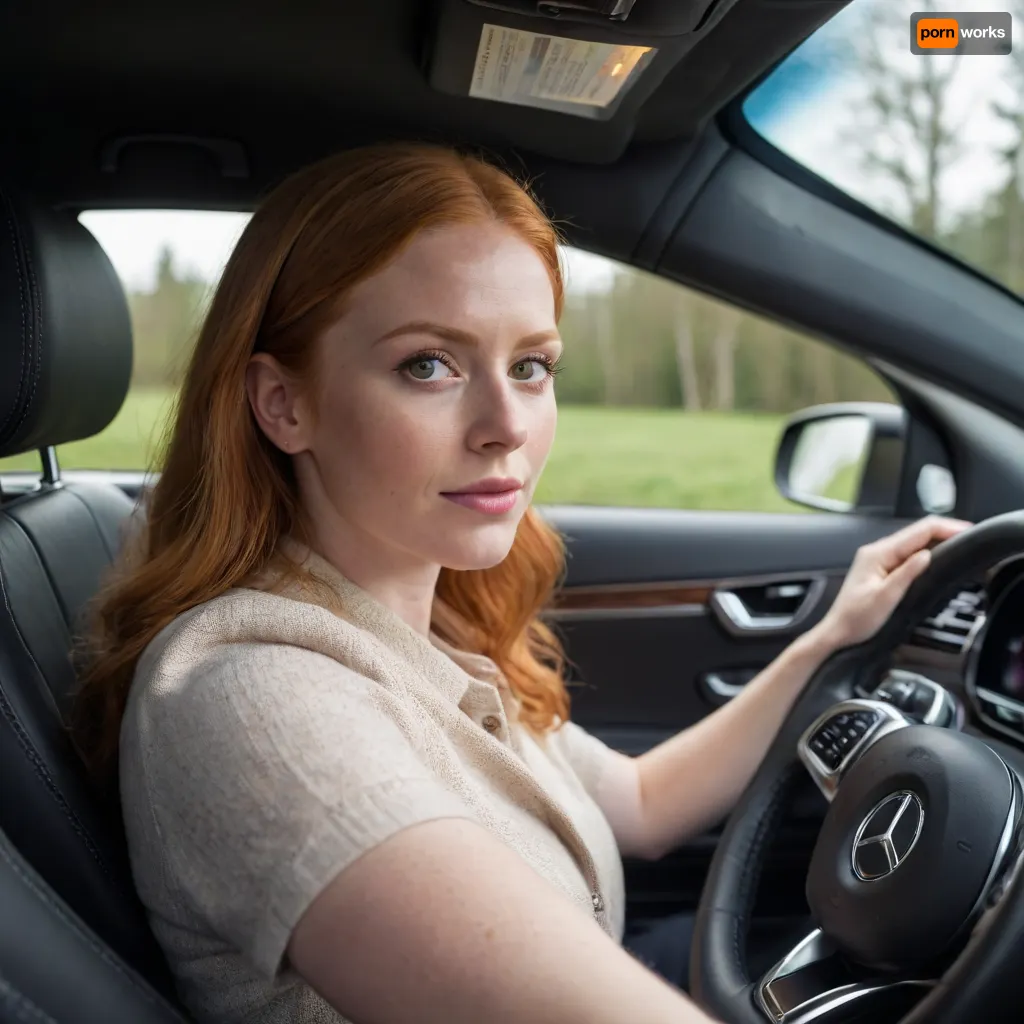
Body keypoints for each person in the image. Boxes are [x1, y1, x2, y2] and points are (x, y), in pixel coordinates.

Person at [70, 142, 969, 1024]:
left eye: (532, 366)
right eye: (429, 364)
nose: (507, 424)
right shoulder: (255, 698)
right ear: (283, 405)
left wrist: (833, 638)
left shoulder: (421, 635)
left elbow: (642, 805)